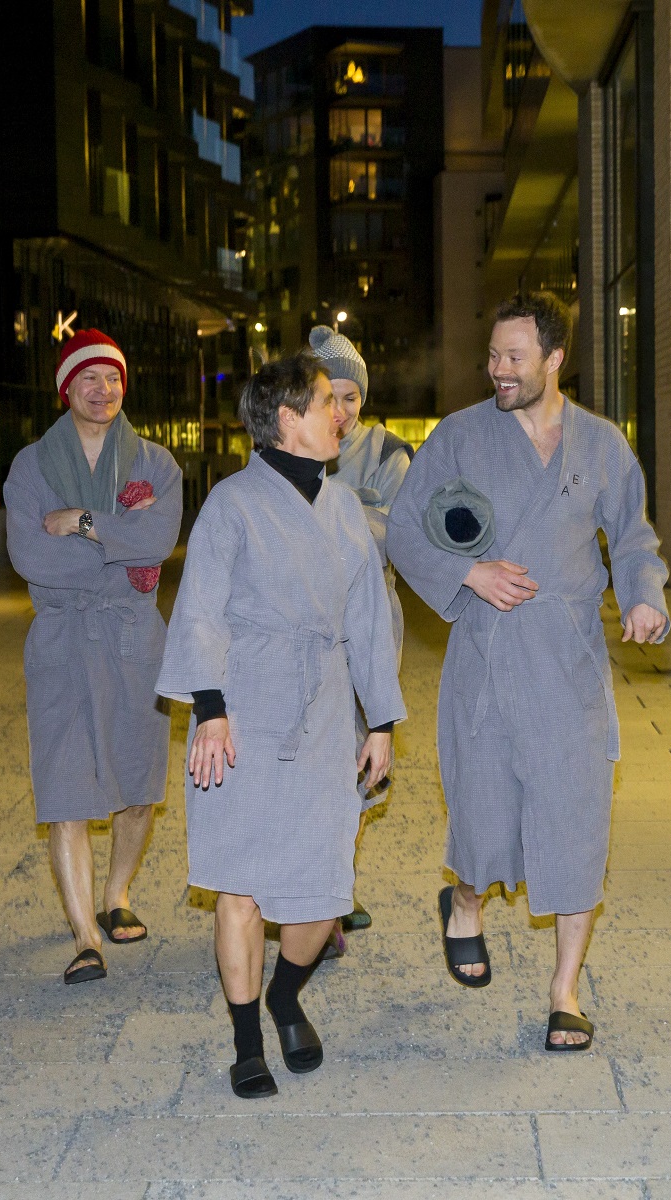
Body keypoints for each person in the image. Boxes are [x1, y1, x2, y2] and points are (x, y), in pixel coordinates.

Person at [388, 293, 670, 1052]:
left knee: (577, 824)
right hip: (486, 654)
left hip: (568, 662)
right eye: (493, 355)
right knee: (482, 818)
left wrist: (644, 597)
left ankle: (564, 991)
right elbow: (405, 529)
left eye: (514, 357)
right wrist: (468, 573)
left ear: (554, 359)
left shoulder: (602, 446)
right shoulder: (460, 436)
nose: (498, 369)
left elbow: (633, 538)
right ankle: (465, 903)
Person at [157, 353, 405, 1099]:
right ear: (290, 418)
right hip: (242, 709)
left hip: (324, 711)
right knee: (239, 884)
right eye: (328, 402)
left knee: (323, 886)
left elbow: (368, 620)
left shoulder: (343, 508)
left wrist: (381, 719)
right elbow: (200, 608)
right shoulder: (231, 504)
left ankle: (286, 995)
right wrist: (209, 710)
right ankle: (245, 1041)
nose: (342, 414)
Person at [3, 329, 181, 987]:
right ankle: (85, 935)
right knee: (66, 790)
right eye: (88, 378)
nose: (102, 390)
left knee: (139, 786)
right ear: (65, 387)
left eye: (112, 378)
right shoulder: (31, 467)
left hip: (135, 642)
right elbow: (31, 557)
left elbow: (158, 542)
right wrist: (121, 547)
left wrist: (82, 522)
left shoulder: (156, 464)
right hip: (63, 642)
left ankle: (116, 893)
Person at [310, 324, 414, 935]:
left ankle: (338, 882)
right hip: (303, 625)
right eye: (331, 396)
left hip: (372, 622)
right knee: (311, 750)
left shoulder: (389, 453)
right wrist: (358, 517)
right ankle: (316, 884)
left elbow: (395, 536)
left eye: (352, 397)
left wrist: (324, 518)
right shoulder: (284, 443)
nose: (342, 411)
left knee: (360, 749)